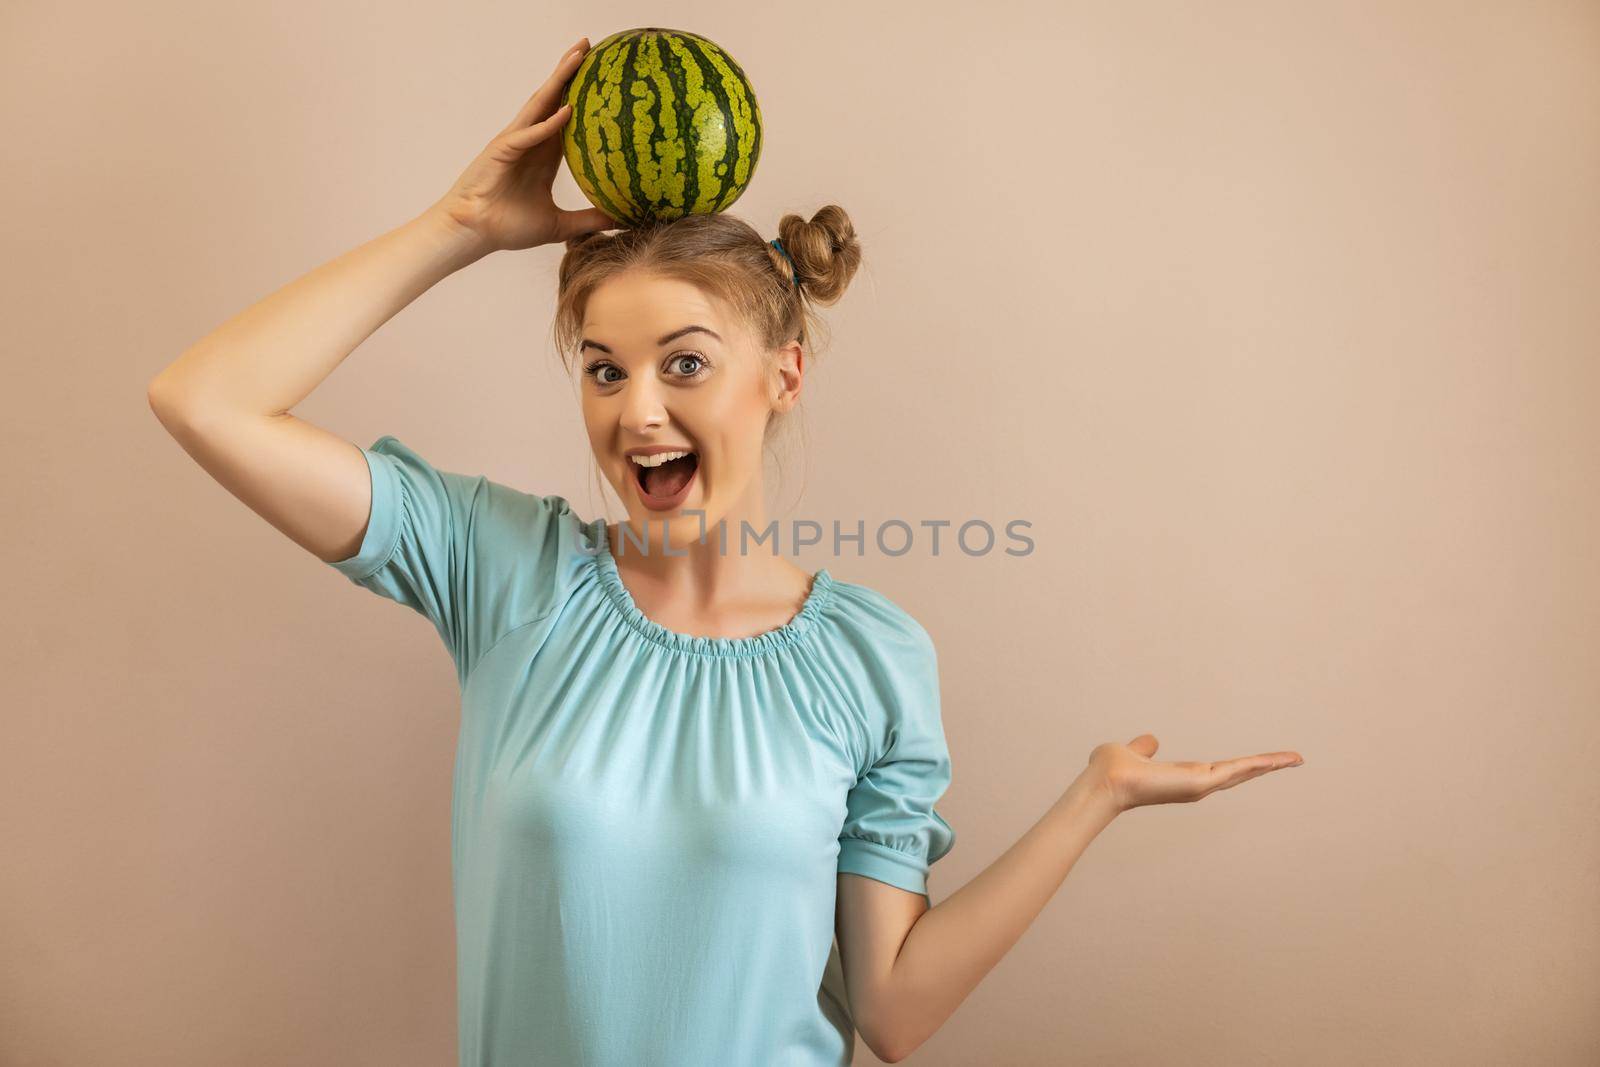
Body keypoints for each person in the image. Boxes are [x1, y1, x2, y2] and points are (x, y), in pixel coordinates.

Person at [148, 35, 1306, 1066]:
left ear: (783, 375)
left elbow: (893, 1010)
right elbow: (204, 401)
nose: (637, 411)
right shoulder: (504, 572)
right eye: (604, 368)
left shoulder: (874, 657)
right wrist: (458, 229)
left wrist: (1093, 795)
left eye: (684, 362)